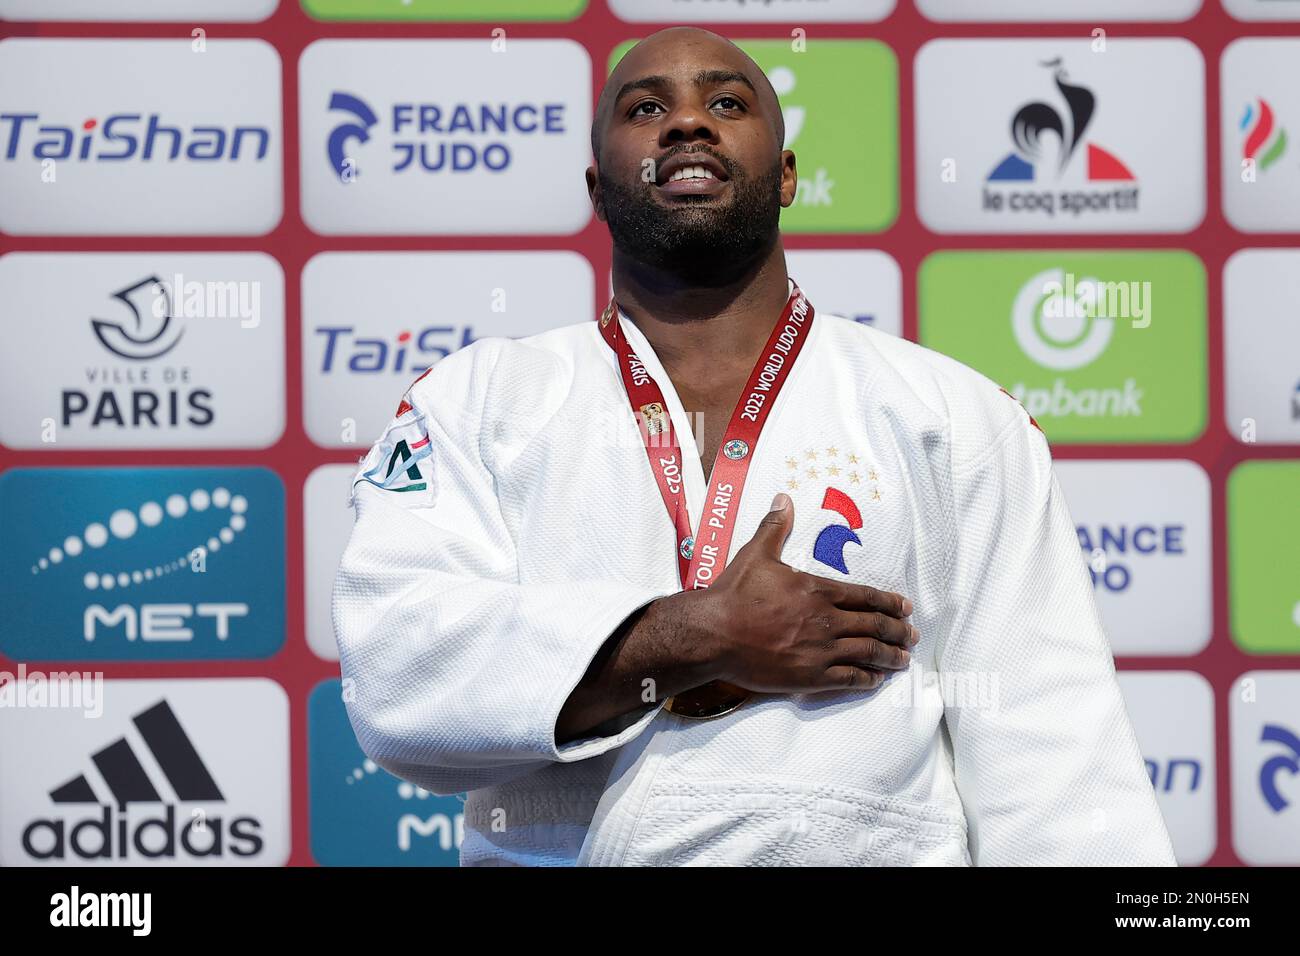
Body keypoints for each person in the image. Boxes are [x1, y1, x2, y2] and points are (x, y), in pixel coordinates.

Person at [332, 26, 1175, 866]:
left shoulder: (948, 415)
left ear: (786, 175)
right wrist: (698, 635)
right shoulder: (480, 401)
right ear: (598, 185)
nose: (687, 123)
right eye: (646, 107)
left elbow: (1055, 756)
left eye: (727, 103)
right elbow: (399, 670)